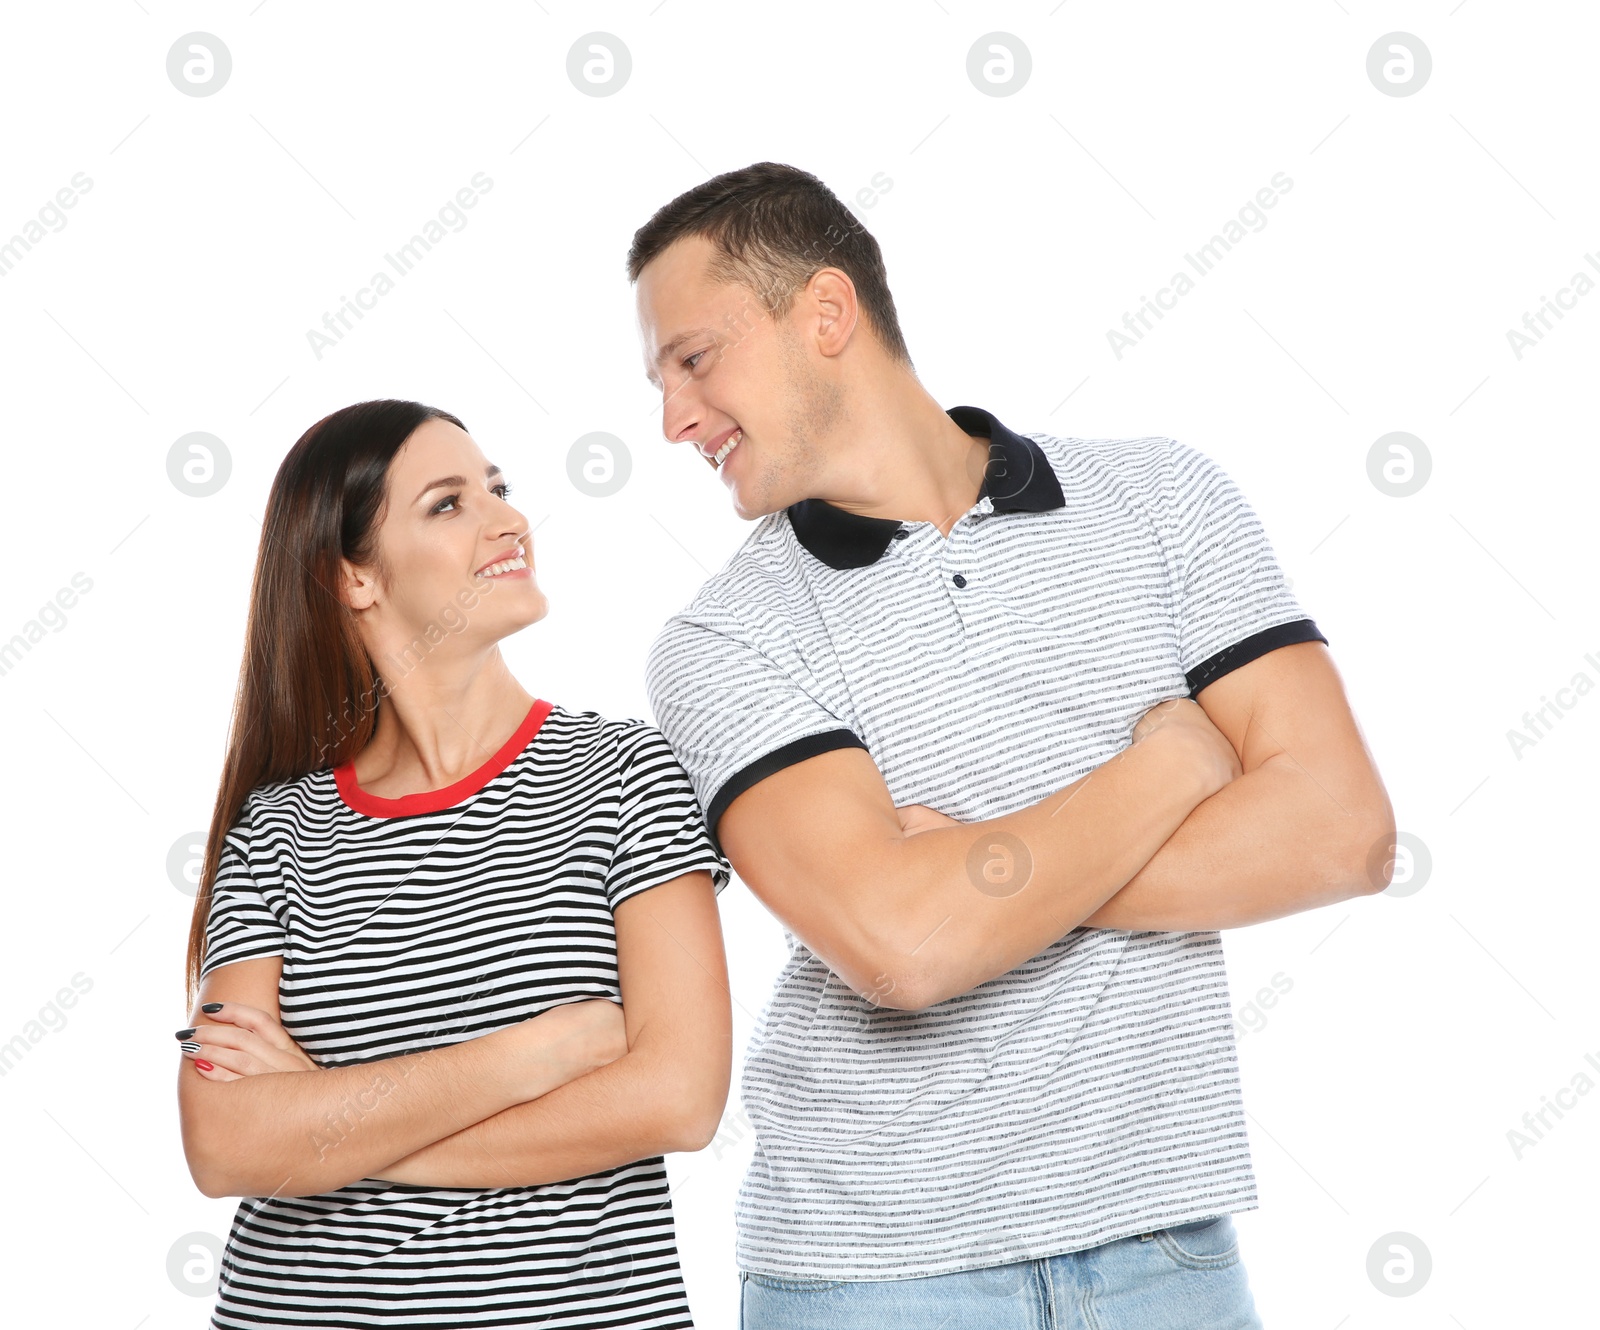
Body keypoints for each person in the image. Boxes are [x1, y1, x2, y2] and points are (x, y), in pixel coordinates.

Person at [630, 162, 1396, 1328]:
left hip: (1169, 1255)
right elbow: (902, 945)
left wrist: (976, 868)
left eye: (694, 360)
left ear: (825, 314)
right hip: (877, 1274)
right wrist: (1173, 767)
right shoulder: (724, 636)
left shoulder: (1163, 498)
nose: (674, 418)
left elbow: (1343, 834)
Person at [175, 399, 733, 1329]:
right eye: (449, 503)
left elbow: (678, 1100)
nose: (508, 520)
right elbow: (225, 1142)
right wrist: (536, 1054)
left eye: (499, 489)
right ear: (352, 578)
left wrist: (326, 1125)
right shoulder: (277, 832)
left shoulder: (627, 776)